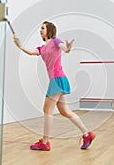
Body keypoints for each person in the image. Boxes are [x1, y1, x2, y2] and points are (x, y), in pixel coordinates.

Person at [13, 21, 95, 151]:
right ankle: (87, 134)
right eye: (40, 28)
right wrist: (20, 46)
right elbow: (30, 52)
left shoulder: (55, 41)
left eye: (43, 28)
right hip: (57, 80)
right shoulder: (42, 48)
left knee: (47, 109)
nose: (40, 30)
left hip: (57, 79)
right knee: (64, 111)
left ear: (49, 30)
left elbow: (65, 48)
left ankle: (45, 142)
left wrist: (68, 48)